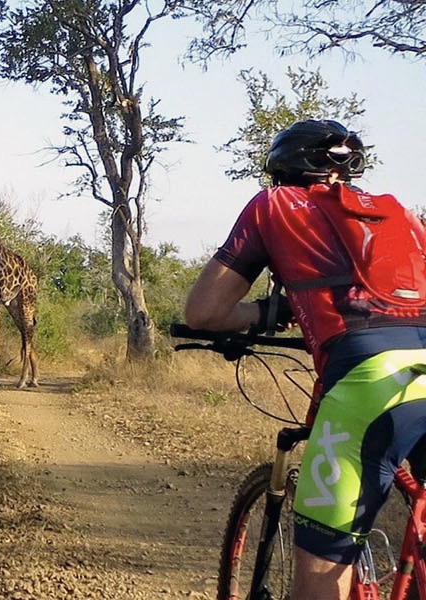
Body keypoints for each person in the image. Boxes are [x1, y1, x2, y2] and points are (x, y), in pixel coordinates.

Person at [184, 119, 426, 599]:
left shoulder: (273, 205)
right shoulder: (397, 214)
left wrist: (269, 312)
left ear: (281, 170)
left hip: (367, 379)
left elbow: (204, 312)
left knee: (319, 574)